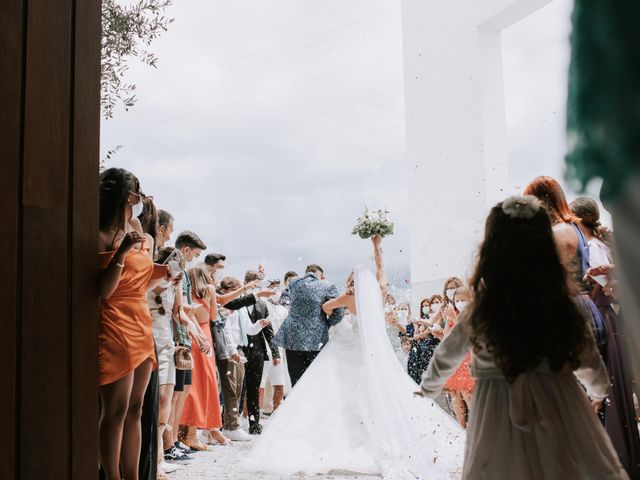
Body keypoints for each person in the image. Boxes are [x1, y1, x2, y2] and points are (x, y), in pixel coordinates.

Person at [419, 195, 628, 480]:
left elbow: (449, 350)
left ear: (491, 250)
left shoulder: (483, 306)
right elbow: (584, 352)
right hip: (556, 395)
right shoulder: (558, 302)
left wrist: (430, 385)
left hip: (496, 405)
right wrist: (598, 389)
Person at [244, 236, 464, 478]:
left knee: (334, 390)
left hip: (347, 344)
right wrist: (377, 246)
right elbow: (381, 270)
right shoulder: (380, 293)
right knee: (369, 393)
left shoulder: (347, 298)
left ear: (351, 282)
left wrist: (335, 307)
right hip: (369, 351)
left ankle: (339, 438)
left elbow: (326, 309)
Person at [98, 168, 170, 480]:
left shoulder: (137, 225)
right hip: (113, 319)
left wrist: (165, 274)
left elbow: (140, 280)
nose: (140, 198)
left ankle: (133, 477)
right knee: (115, 410)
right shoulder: (97, 232)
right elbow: (103, 289)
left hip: (141, 319)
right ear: (126, 196)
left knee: (137, 408)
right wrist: (123, 251)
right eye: (136, 192)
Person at [572, 197, 640, 477]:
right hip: (600, 320)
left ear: (580, 219)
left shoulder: (595, 248)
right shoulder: (591, 247)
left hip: (603, 322)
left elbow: (611, 292)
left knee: (609, 386)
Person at [274, 264, 345, 387]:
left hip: (292, 338)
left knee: (296, 382)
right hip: (315, 339)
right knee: (315, 381)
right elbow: (339, 313)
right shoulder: (328, 285)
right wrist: (326, 324)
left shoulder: (293, 283)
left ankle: (297, 405)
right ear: (321, 275)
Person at [180, 265, 227, 446]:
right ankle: (191, 434)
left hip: (189, 335)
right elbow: (214, 316)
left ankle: (181, 432)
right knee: (204, 384)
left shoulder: (186, 293)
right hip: (203, 335)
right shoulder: (209, 290)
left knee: (189, 385)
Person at [441, 287, 475, 428]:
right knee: (458, 395)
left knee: (470, 395)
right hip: (458, 360)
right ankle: (462, 428)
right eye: (457, 300)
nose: (460, 303)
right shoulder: (452, 314)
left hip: (472, 359)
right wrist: (448, 321)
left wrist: (455, 319)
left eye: (463, 300)